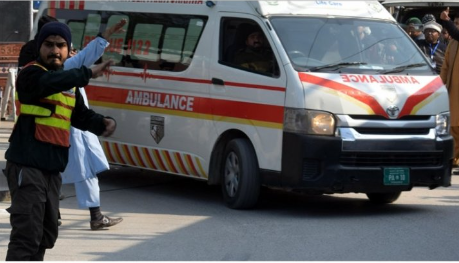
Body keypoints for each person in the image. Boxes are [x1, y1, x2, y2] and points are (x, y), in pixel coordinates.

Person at [4, 21, 115, 260]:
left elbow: (80, 115)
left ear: (68, 50)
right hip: (27, 165)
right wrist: (87, 73)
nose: (54, 50)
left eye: (60, 45)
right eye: (49, 45)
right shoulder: (31, 74)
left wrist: (102, 123)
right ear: (39, 48)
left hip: (52, 171)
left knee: (46, 234)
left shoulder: (67, 83)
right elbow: (47, 84)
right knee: (27, 235)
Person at [62, 19, 126, 231]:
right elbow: (85, 58)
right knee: (56, 175)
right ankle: (92, 216)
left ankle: (92, 215)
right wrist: (105, 36)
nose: (73, 53)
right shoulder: (62, 69)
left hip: (76, 131)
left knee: (82, 173)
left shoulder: (65, 70)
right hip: (64, 134)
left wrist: (99, 124)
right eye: (69, 50)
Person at [440, 9, 459, 170]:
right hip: (453, 94)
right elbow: (445, 68)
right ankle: (453, 160)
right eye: (456, 23)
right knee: (453, 127)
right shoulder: (452, 44)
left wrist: (447, 22)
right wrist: (439, 88)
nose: (457, 27)